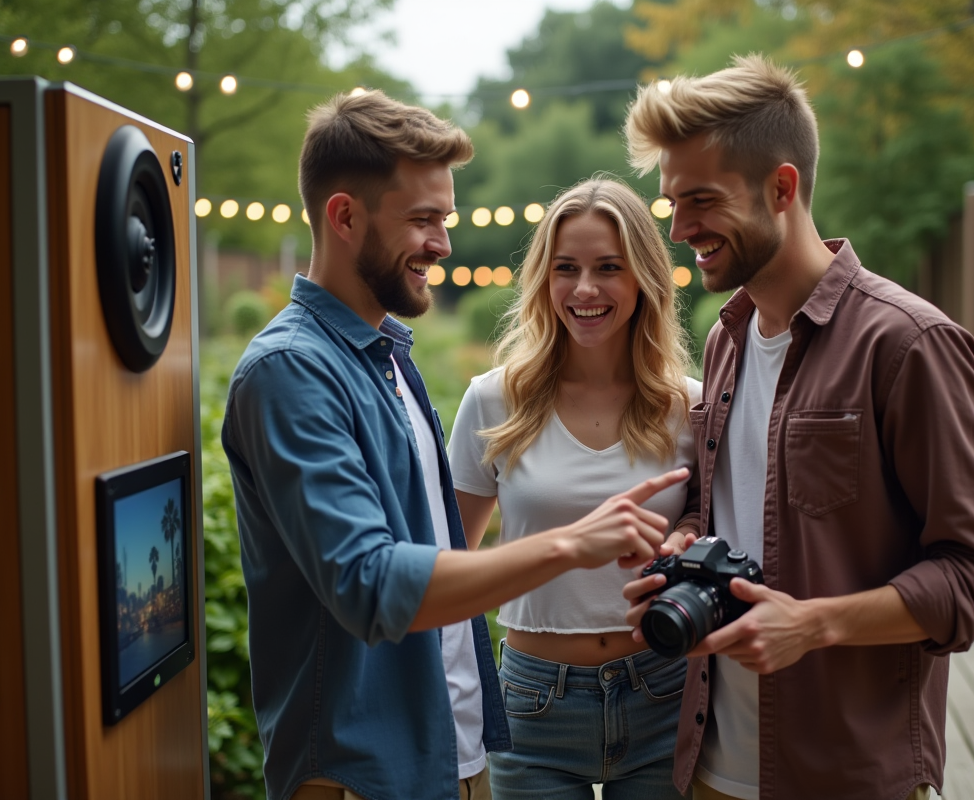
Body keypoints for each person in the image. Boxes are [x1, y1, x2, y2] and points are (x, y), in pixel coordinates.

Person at [221, 91, 687, 800]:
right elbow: (369, 581)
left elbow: (446, 563)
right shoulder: (292, 369)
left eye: (445, 219)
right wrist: (571, 543)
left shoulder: (385, 357)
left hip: (448, 751)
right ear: (344, 216)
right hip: (365, 769)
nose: (442, 243)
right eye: (423, 220)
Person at [620, 55, 974, 800]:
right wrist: (688, 546)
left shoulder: (906, 343)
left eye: (700, 200)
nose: (679, 229)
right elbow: (739, 514)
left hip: (845, 774)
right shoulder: (726, 339)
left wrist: (814, 624)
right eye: (672, 204)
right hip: (708, 768)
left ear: (782, 187)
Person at [448, 178, 700, 799]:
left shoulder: (690, 407)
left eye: (608, 268)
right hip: (533, 702)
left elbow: (715, 527)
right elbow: (447, 569)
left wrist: (687, 533)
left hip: (663, 691)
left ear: (643, 278)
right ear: (544, 278)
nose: (584, 289)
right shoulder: (493, 400)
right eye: (566, 268)